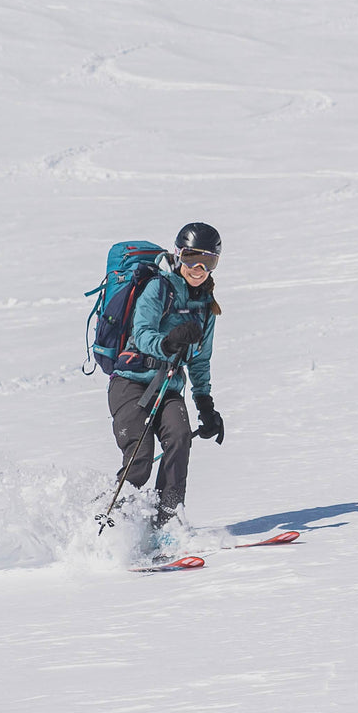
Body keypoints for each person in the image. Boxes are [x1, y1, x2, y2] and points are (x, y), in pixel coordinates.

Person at [106, 222, 224, 541]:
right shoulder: (159, 288)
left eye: (208, 262)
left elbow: (200, 362)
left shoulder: (205, 309)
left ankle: (166, 527)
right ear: (177, 255)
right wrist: (167, 343)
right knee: (140, 457)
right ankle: (110, 526)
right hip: (131, 382)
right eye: (191, 259)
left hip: (168, 387)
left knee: (180, 437)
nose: (198, 269)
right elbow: (141, 332)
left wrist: (206, 407)